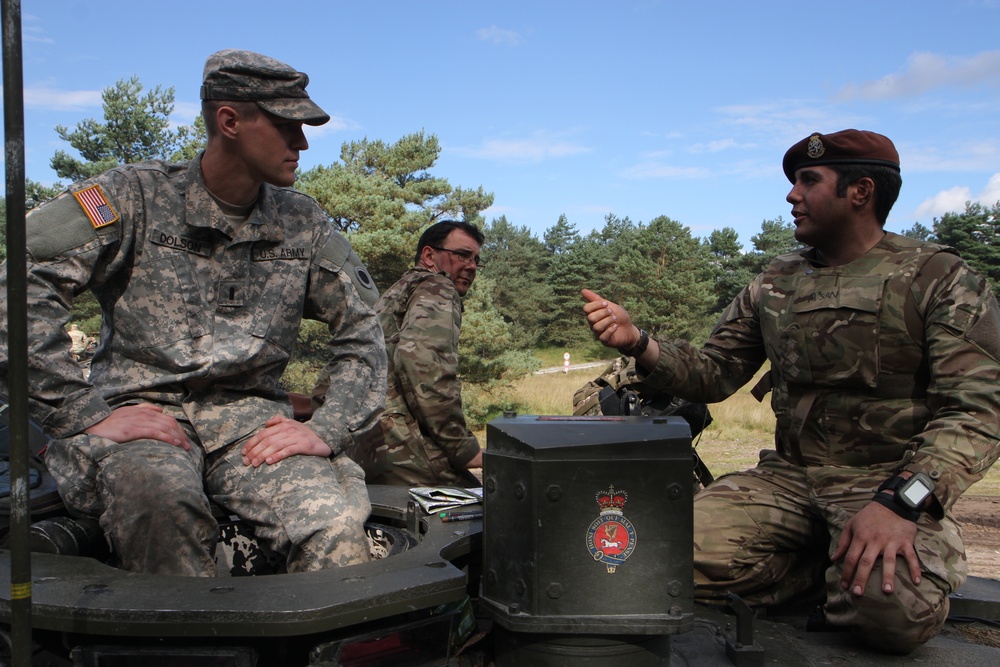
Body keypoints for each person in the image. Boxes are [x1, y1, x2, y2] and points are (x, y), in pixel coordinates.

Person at [582, 129, 1000, 654]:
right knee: (646, 556)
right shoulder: (776, 281)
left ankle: (863, 562)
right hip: (790, 481)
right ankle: (819, 565)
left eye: (808, 181)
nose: (791, 195)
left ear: (861, 191)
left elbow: (979, 409)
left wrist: (901, 503)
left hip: (884, 486)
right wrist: (638, 342)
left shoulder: (938, 278)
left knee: (893, 611)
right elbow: (715, 372)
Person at [0, 49, 387, 576]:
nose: (302, 142)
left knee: (334, 522)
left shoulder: (304, 222)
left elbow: (364, 330)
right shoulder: (131, 196)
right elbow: (17, 287)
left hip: (252, 429)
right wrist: (82, 411)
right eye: (285, 125)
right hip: (142, 417)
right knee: (159, 504)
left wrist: (329, 425)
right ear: (229, 121)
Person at [359, 220, 485, 487]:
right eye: (462, 255)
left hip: (366, 441)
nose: (471, 266)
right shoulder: (438, 286)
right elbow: (424, 365)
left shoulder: (394, 293)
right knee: (481, 515)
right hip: (403, 444)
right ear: (429, 255)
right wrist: (462, 447)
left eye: (476, 260)